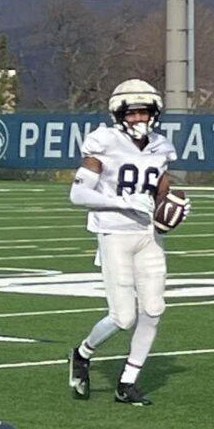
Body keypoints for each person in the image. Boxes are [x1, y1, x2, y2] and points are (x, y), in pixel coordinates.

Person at [67, 78, 177, 406]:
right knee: (123, 317)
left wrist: (173, 207)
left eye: (146, 113)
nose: (141, 119)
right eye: (134, 113)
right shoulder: (104, 142)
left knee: (154, 309)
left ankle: (127, 382)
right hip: (114, 232)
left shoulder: (162, 146)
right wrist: (122, 202)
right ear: (120, 114)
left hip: (147, 235)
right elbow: (77, 193)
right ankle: (82, 353)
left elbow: (162, 192)